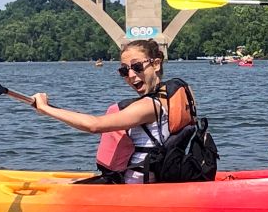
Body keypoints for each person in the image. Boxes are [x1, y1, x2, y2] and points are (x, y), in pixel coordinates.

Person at [32, 39, 175, 184]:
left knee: (43, 185)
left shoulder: (148, 106)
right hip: (148, 180)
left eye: (137, 66)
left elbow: (94, 125)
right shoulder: (175, 96)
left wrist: (45, 108)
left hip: (133, 187)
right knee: (62, 181)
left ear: (156, 64)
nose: (131, 75)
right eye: (124, 70)